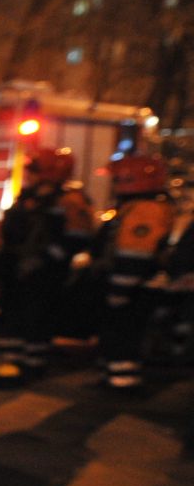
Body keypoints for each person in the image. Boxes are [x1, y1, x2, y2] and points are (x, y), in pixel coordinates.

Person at [0, 148, 98, 385]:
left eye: (35, 170)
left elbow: (78, 238)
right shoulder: (29, 196)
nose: (29, 174)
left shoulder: (70, 200)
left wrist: (44, 261)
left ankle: (33, 366)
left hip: (45, 274)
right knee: (11, 316)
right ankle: (9, 363)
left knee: (37, 319)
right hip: (16, 269)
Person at [97, 152, 175, 390]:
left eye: (118, 179)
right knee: (123, 332)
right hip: (138, 285)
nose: (114, 184)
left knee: (124, 333)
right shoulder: (140, 207)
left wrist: (119, 290)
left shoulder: (145, 210)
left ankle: (123, 381)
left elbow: (135, 255)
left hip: (137, 287)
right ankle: (118, 376)